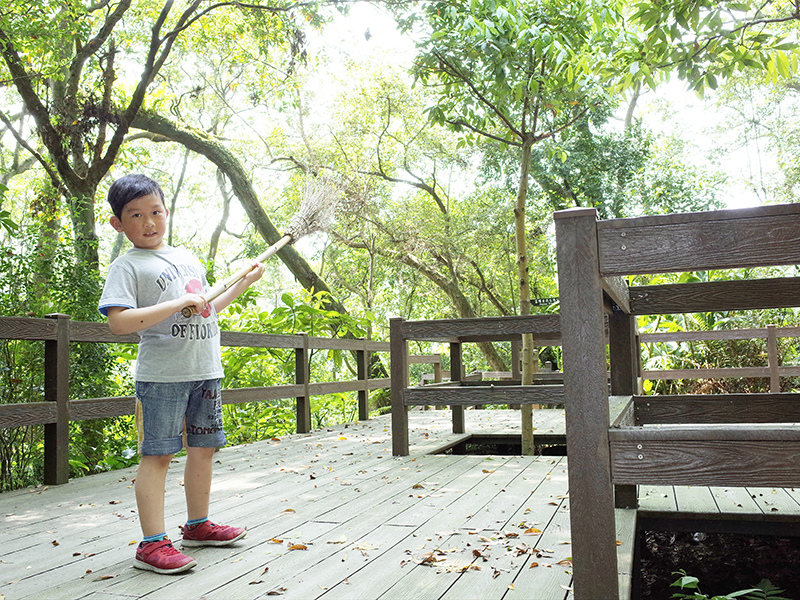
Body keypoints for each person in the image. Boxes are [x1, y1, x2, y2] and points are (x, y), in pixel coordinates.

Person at [98, 173, 265, 574]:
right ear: (118, 224)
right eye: (136, 215)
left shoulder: (186, 257)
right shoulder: (127, 266)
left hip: (204, 369)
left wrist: (243, 282)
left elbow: (207, 307)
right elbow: (119, 323)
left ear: (166, 211)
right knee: (158, 455)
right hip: (162, 376)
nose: (149, 222)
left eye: (155, 211)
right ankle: (152, 544)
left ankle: (198, 525)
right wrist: (175, 305)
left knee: (203, 450)